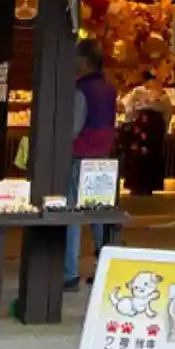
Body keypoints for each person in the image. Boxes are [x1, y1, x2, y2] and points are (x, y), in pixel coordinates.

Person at [65, 40, 119, 291]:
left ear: (85, 61)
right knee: (99, 215)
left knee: (73, 214)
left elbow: (73, 128)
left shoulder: (80, 90)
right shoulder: (109, 89)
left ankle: (69, 273)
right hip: (103, 157)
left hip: (81, 156)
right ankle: (107, 267)